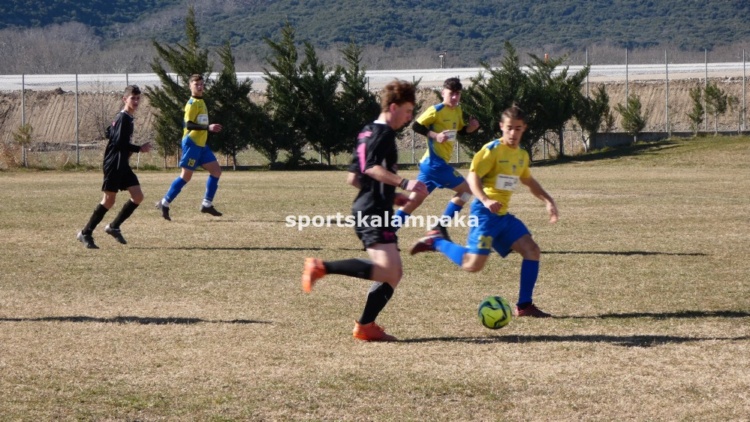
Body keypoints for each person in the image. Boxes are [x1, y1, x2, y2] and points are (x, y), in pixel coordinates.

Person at [301, 80, 428, 342]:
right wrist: (404, 183)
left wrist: (391, 195)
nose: (409, 117)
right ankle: (322, 267)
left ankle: (366, 326)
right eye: (407, 111)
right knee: (387, 271)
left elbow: (354, 178)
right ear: (393, 107)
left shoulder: (367, 131)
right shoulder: (384, 133)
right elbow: (370, 167)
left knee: (394, 273)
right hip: (372, 211)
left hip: (373, 207)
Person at [410, 105, 559, 318]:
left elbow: (528, 180)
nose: (513, 133)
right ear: (501, 127)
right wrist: (486, 199)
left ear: (524, 128)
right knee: (472, 265)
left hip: (502, 216)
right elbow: (473, 178)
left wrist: (548, 200)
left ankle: (524, 305)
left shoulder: (521, 155)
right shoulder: (491, 151)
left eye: (518, 128)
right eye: (509, 128)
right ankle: (436, 241)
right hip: (484, 215)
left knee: (532, 250)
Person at [393, 77, 480, 239]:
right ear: (443, 93)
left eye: (457, 94)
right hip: (435, 164)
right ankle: (440, 227)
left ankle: (387, 232)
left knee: (413, 201)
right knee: (467, 190)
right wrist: (435, 135)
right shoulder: (436, 110)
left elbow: (461, 131)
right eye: (451, 93)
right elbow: (416, 126)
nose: (454, 97)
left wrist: (471, 128)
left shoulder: (457, 111)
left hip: (431, 166)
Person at [77, 85, 152, 249]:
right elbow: (118, 143)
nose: (136, 101)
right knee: (109, 200)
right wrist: (139, 148)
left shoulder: (126, 118)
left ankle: (114, 226)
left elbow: (109, 132)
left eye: (138, 98)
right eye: (133, 98)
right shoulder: (123, 118)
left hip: (122, 164)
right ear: (125, 99)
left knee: (138, 196)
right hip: (114, 164)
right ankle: (85, 233)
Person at [155, 74, 223, 221]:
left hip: (201, 145)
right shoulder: (191, 104)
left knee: (216, 171)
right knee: (186, 176)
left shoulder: (201, 101)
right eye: (196, 84)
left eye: (201, 84)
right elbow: (189, 125)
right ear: (190, 86)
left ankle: (206, 204)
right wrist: (208, 127)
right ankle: (164, 203)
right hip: (192, 144)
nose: (200, 87)